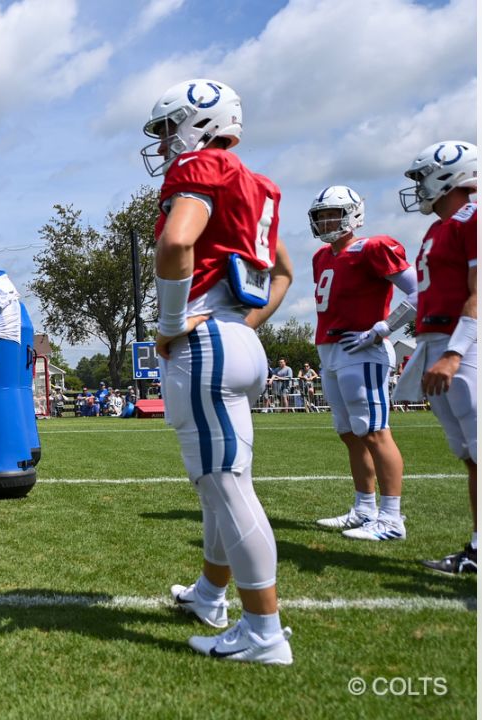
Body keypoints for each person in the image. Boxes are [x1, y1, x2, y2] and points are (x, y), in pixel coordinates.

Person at [142, 77, 295, 663]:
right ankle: (210, 594)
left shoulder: (201, 167)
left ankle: (263, 633)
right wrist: (245, 325)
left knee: (227, 488)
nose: (161, 147)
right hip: (234, 339)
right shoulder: (258, 185)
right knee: (218, 486)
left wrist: (172, 320)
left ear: (198, 122)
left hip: (205, 344)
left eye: (165, 131)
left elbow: (177, 244)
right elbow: (282, 271)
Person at [307, 185, 417, 541]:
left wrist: (382, 329)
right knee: (350, 434)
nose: (326, 221)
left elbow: (420, 290)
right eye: (321, 215)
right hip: (331, 349)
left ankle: (391, 518)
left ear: (353, 214)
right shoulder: (321, 257)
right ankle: (365, 508)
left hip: (361, 349)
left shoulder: (374, 248)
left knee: (374, 431)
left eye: (332, 214)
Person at [394, 141, 478, 575]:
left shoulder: (477, 216)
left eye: (422, 177)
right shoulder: (439, 228)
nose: (419, 187)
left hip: (464, 342)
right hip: (439, 339)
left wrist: (454, 353)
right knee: (470, 451)